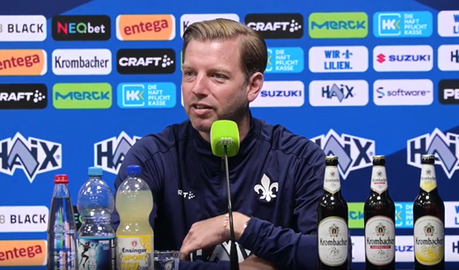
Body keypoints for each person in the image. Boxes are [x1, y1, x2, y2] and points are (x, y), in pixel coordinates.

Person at [111, 19, 335, 270]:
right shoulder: (149, 159)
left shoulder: (300, 160)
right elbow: (126, 262)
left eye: (217, 76)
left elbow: (330, 256)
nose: (197, 88)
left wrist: (238, 226)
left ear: (253, 86)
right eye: (189, 73)